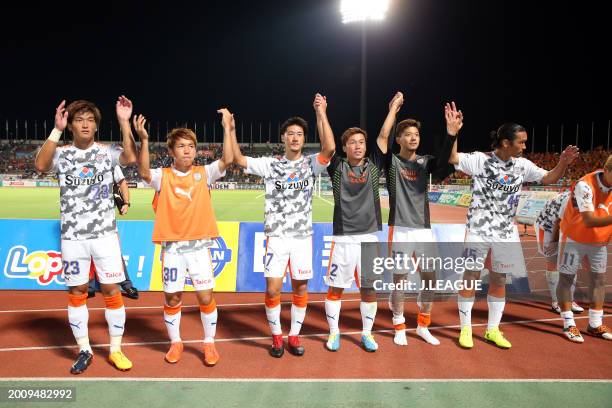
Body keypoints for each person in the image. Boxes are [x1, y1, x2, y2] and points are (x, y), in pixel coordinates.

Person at [448, 121, 579, 349]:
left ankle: (492, 330)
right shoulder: (480, 160)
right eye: (522, 142)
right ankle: (466, 328)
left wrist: (563, 162)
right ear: (506, 142)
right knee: (471, 276)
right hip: (478, 229)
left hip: (506, 232)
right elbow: (453, 158)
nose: (525, 146)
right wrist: (453, 133)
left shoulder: (523, 165)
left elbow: (548, 178)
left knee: (499, 279)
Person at [34, 96, 138, 374]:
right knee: (77, 292)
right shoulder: (63, 154)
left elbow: (130, 158)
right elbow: (41, 165)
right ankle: (84, 349)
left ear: (96, 127)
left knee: (111, 290)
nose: (84, 124)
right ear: (71, 125)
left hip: (104, 236)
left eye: (90, 120)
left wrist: (125, 123)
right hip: (72, 238)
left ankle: (116, 349)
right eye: (79, 119)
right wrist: (55, 130)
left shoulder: (106, 152)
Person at [231, 94, 335, 358]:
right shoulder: (271, 164)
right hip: (276, 237)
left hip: (302, 237)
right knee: (273, 289)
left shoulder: (311, 164)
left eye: (299, 134)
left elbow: (330, 149)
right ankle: (277, 336)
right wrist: (230, 130)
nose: (295, 137)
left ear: (303, 138)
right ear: (283, 138)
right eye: (290, 133)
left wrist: (321, 112)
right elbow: (239, 159)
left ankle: (294, 335)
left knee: (301, 288)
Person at [135, 108, 234, 366]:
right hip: (173, 249)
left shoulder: (205, 173)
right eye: (181, 146)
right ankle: (176, 342)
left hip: (200, 247)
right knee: (173, 297)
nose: (188, 150)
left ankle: (209, 343)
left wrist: (227, 128)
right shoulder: (162, 176)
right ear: (171, 151)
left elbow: (227, 159)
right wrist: (144, 140)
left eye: (191, 146)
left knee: (205, 296)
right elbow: (144, 173)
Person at [377, 93, 460, 346]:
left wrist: (452, 133)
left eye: (417, 134)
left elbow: (449, 162)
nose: (414, 137)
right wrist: (392, 109)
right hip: (400, 229)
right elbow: (382, 139)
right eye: (408, 134)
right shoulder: (391, 162)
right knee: (400, 280)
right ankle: (399, 325)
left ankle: (423, 325)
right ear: (399, 139)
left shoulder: (426, 163)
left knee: (430, 279)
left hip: (424, 230)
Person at [321, 98, 386, 352]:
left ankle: (366, 334)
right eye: (352, 142)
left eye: (361, 142)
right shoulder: (337, 167)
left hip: (369, 237)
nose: (358, 146)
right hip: (345, 237)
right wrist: (323, 112)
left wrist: (392, 109)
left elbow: (384, 135)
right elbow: (327, 145)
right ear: (345, 147)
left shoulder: (373, 166)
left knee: (369, 290)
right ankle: (334, 332)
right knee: (335, 288)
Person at [557, 156, 612, 342]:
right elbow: (588, 220)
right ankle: (568, 324)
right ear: (606, 169)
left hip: (599, 241)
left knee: (599, 279)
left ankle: (595, 324)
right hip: (574, 237)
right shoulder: (585, 184)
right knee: (566, 278)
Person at [88, 165, 139, 299]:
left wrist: (126, 203)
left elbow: (122, 182)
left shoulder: (109, 162)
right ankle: (89, 287)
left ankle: (126, 285)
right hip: (83, 219)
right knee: (86, 252)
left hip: (106, 219)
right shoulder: (78, 161)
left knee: (114, 253)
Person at [533, 190, 583, 313]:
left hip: (566, 226)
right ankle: (556, 301)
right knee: (553, 261)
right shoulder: (573, 199)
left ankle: (569, 300)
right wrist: (554, 243)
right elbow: (558, 222)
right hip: (547, 226)